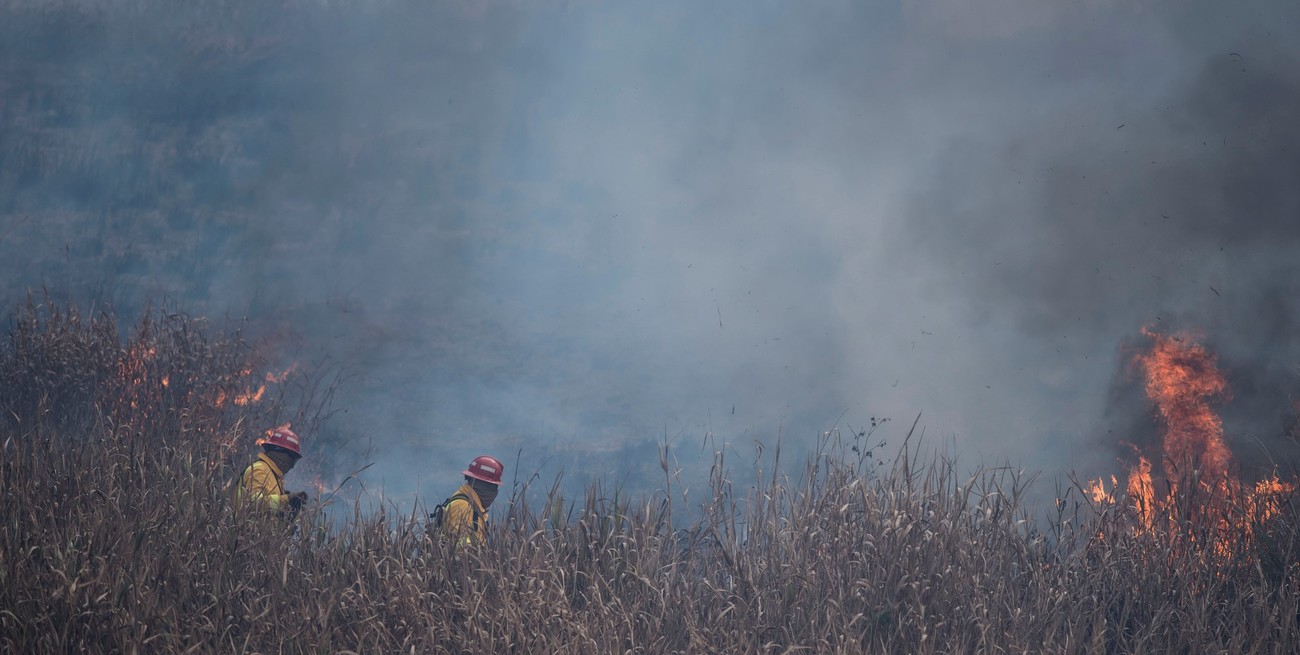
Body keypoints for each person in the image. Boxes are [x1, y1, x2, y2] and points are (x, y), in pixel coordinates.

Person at [236, 425, 308, 518]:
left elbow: (266, 512)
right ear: (279, 452)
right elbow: (254, 505)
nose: (292, 465)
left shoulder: (272, 475)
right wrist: (286, 500)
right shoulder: (260, 471)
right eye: (292, 458)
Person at [436, 455, 503, 546]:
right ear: (484, 485)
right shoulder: (463, 506)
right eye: (493, 486)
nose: (494, 491)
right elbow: (461, 549)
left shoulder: (474, 506)